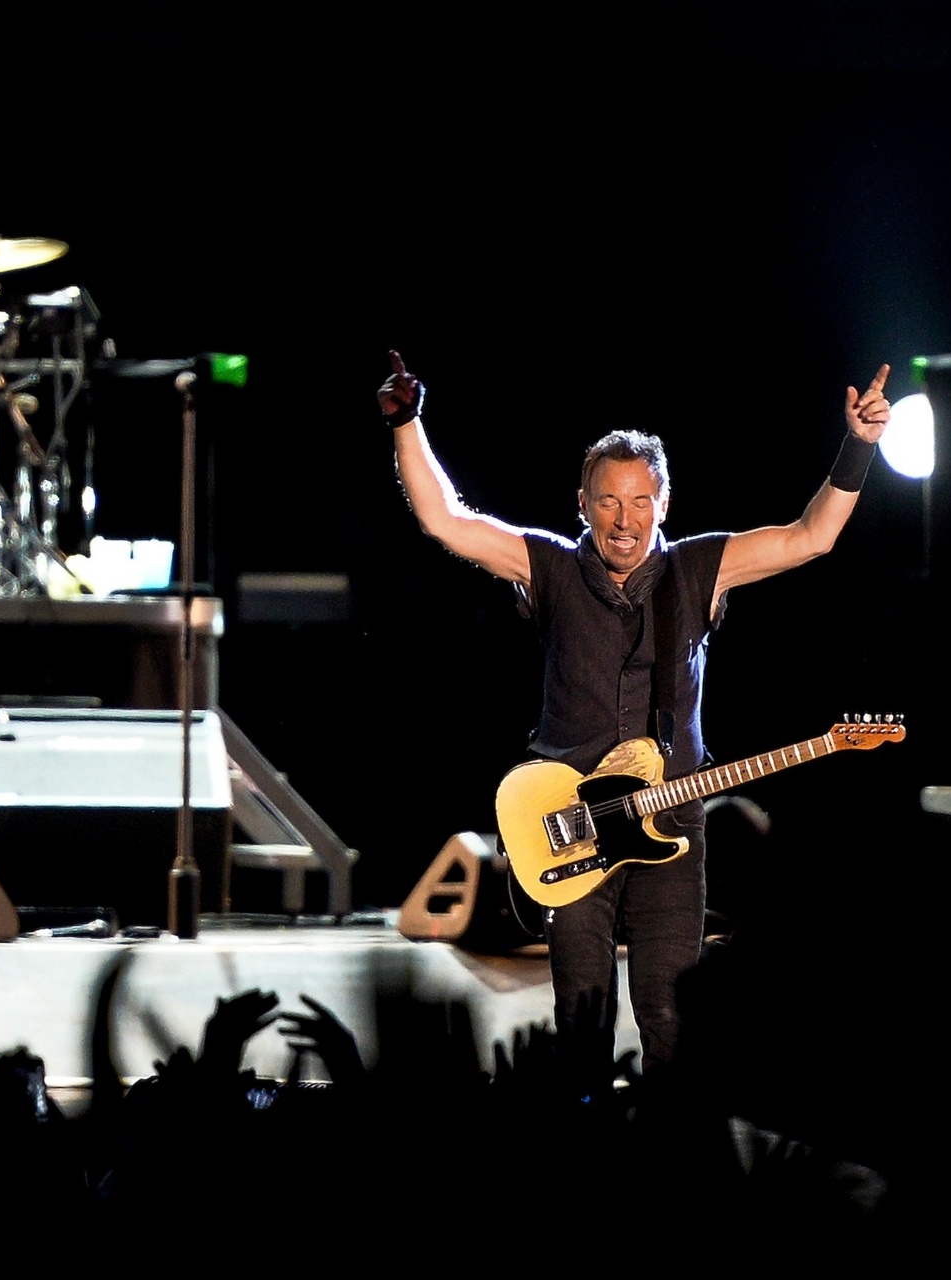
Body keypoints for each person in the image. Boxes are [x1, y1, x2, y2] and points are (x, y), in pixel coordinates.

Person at [379, 348, 892, 1107]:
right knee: (581, 1017)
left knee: (668, 1011)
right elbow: (443, 519)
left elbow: (811, 536)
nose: (626, 519)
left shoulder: (698, 570)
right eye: (609, 501)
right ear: (582, 504)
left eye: (640, 500)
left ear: (664, 503)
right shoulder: (548, 565)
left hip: (671, 828)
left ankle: (673, 1169)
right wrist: (407, 422)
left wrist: (860, 445)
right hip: (568, 824)